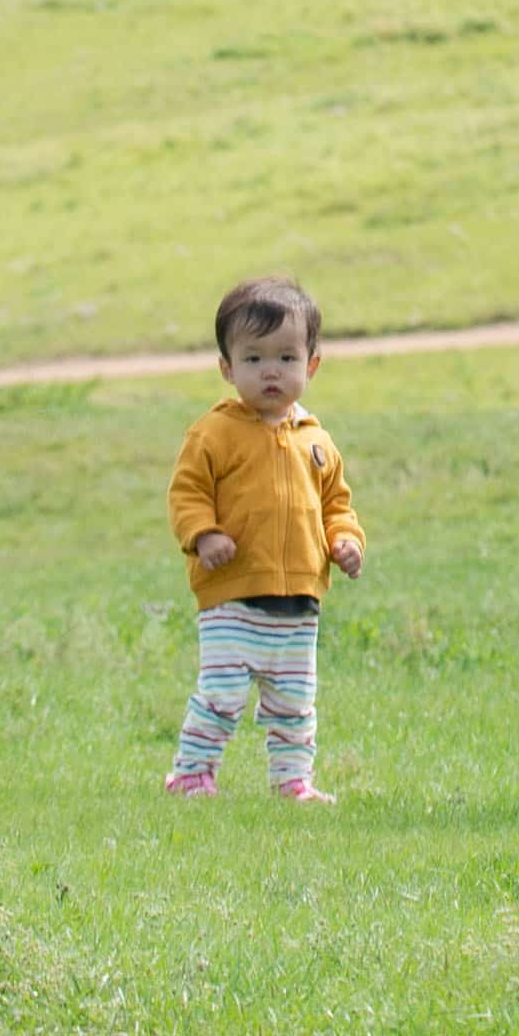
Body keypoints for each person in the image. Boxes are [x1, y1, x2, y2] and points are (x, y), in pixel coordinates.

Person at [164, 275, 365, 802]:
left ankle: (293, 780)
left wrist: (346, 541)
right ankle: (192, 772)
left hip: (299, 600)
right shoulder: (214, 434)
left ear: (311, 365)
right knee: (223, 692)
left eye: (285, 358)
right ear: (227, 368)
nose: (270, 372)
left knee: (295, 699)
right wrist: (203, 535)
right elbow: (187, 493)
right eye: (253, 360)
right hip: (232, 593)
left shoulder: (317, 441)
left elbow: (336, 506)